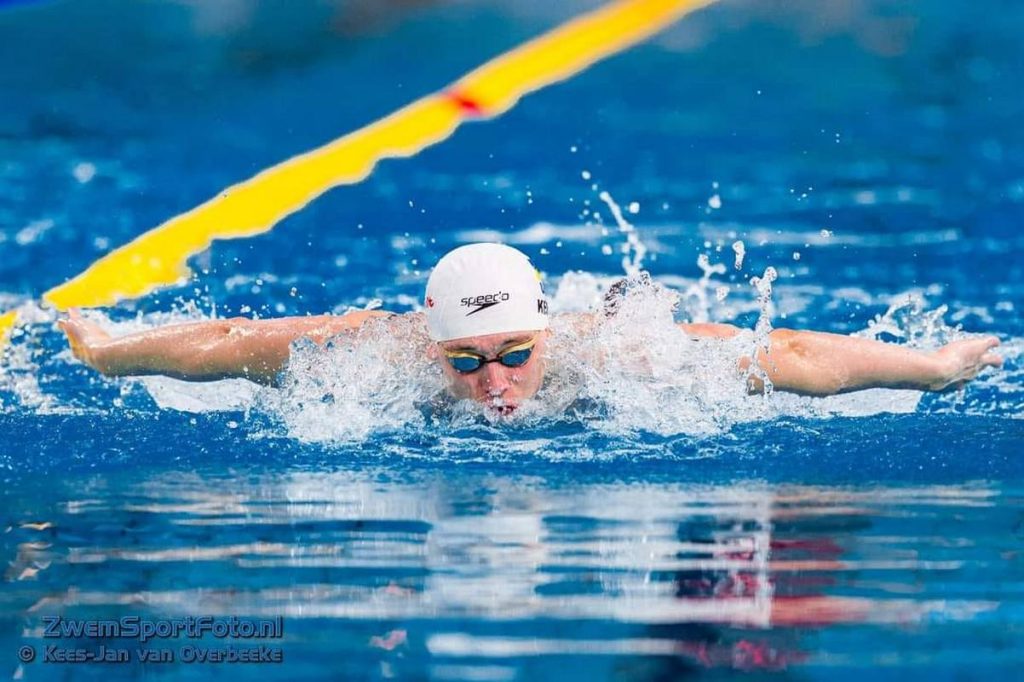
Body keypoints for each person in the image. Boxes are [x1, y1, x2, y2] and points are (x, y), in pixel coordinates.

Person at [58, 243, 1003, 415]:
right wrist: (104, 349)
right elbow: (226, 343)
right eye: (465, 361)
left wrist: (933, 367)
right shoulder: (374, 358)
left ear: (545, 336)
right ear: (430, 347)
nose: (493, 379)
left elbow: (793, 356)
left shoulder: (620, 360)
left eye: (515, 353)